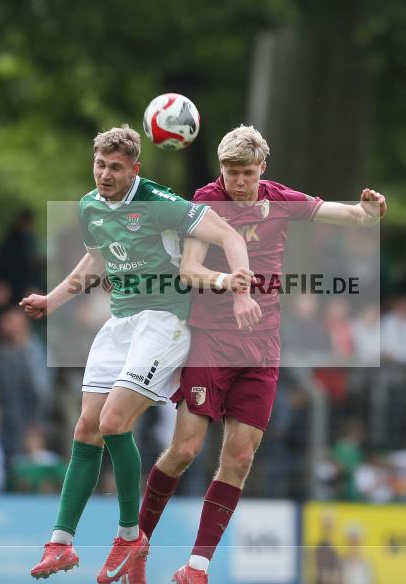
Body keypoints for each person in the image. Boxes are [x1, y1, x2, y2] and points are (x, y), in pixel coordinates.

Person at [133, 125, 387, 584]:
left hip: (262, 345)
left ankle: (196, 568)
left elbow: (341, 213)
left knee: (240, 460)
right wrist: (229, 283)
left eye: (247, 173)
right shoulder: (206, 200)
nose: (239, 182)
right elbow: (190, 270)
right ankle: (136, 542)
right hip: (211, 339)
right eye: (231, 172)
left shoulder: (278, 197)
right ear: (221, 169)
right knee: (185, 449)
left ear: (262, 169)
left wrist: (368, 213)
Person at [19, 125, 255, 581]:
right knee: (87, 427)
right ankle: (61, 544)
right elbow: (96, 259)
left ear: (135, 170)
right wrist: (52, 299)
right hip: (121, 321)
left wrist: (239, 285)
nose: (105, 174)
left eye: (116, 168)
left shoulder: (159, 202)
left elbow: (228, 234)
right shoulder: (90, 206)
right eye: (100, 165)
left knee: (112, 422)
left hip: (163, 322)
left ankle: (130, 535)